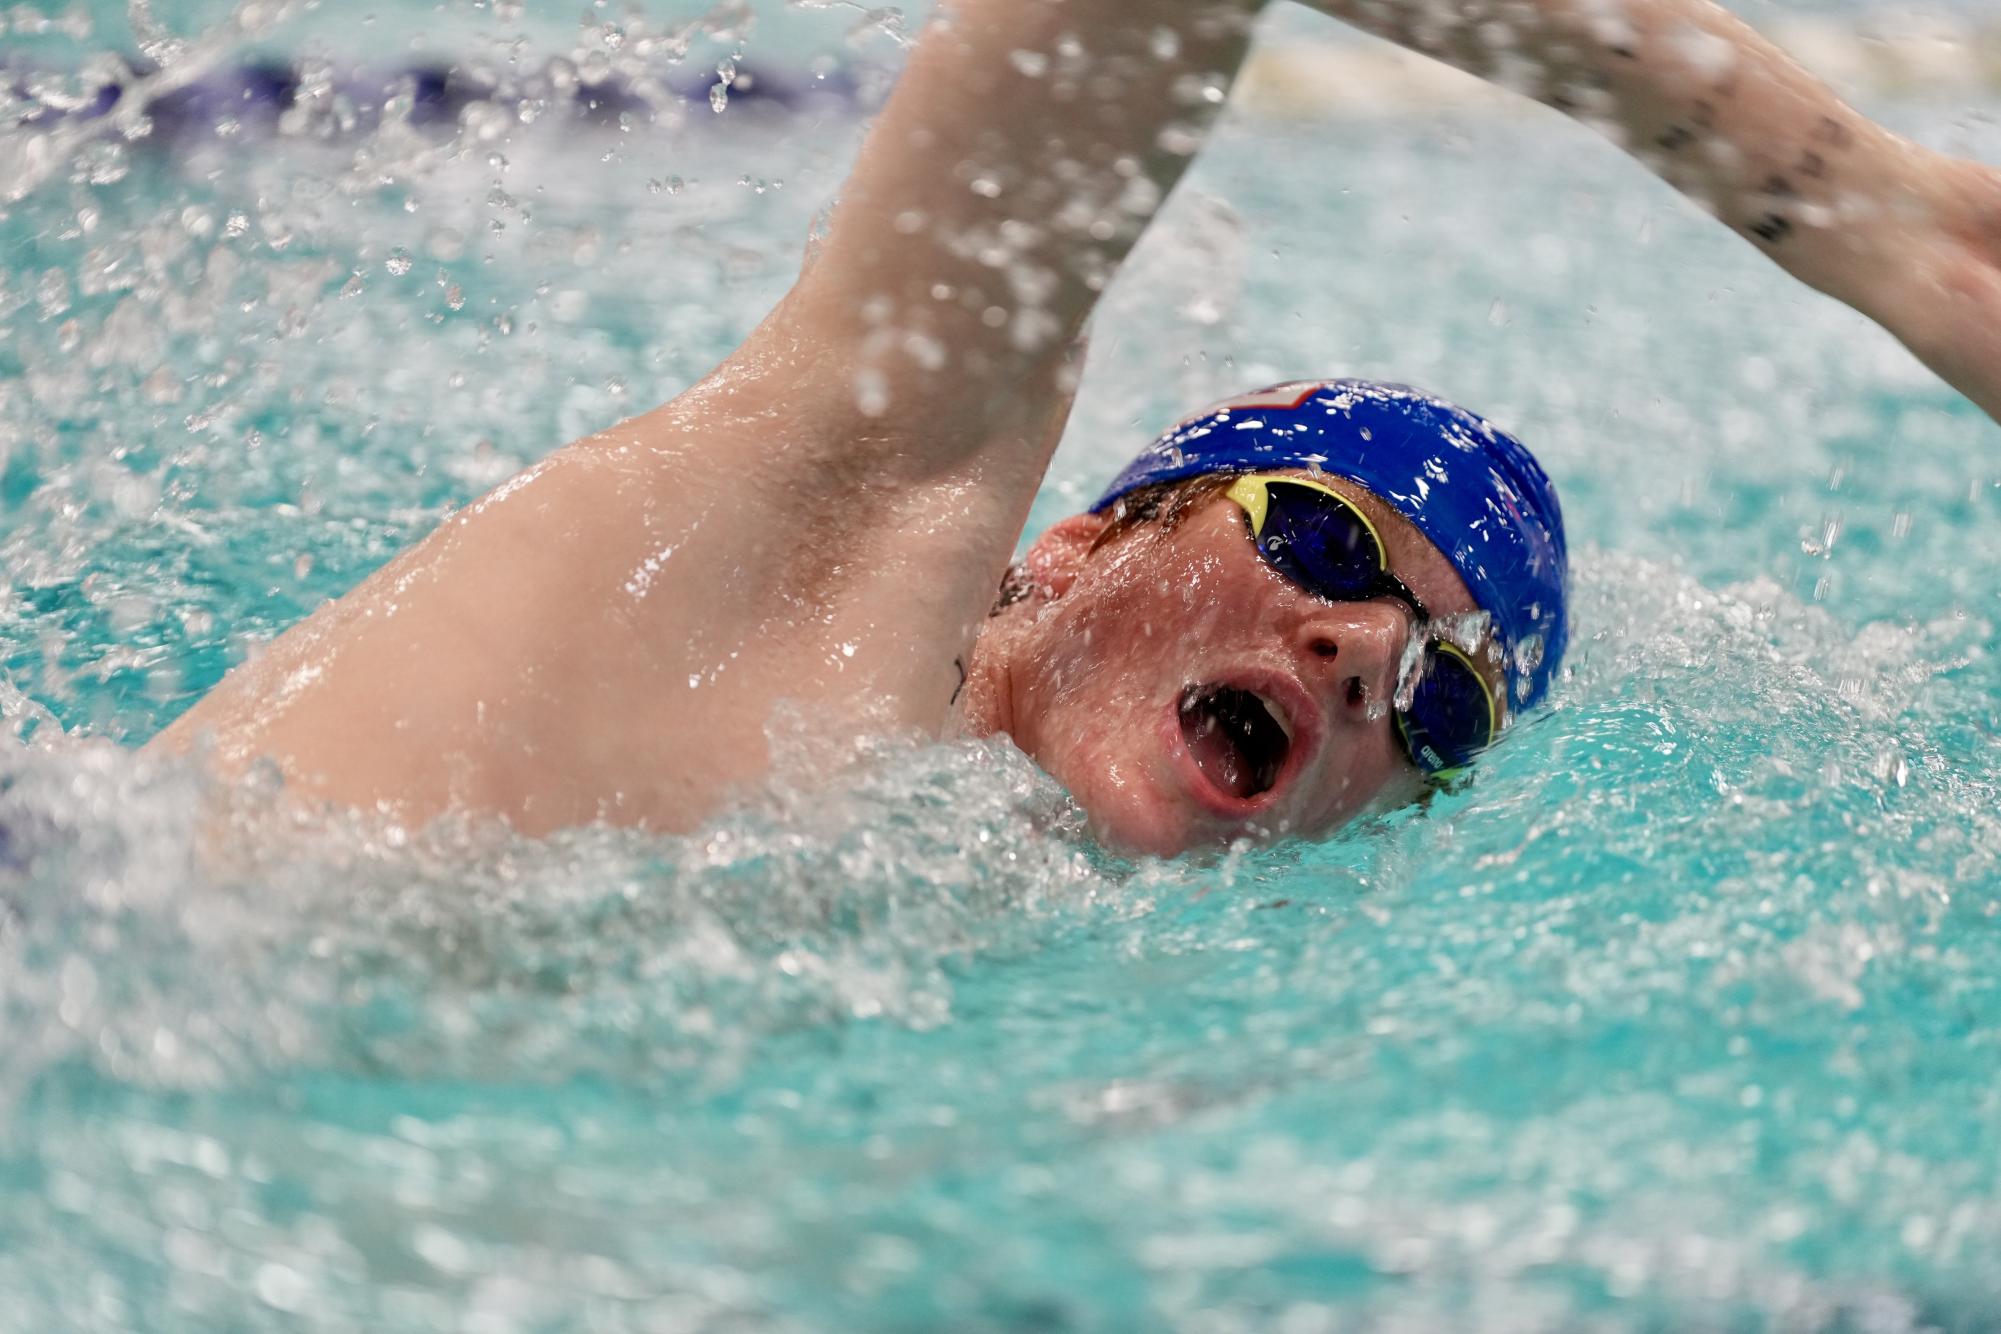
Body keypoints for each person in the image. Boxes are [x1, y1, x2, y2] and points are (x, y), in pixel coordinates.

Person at [149, 0, 2001, 855]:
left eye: (1443, 700)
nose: (1361, 648)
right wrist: (1856, 211)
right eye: (1326, 541)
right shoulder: (829, 548)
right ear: (1075, 540)